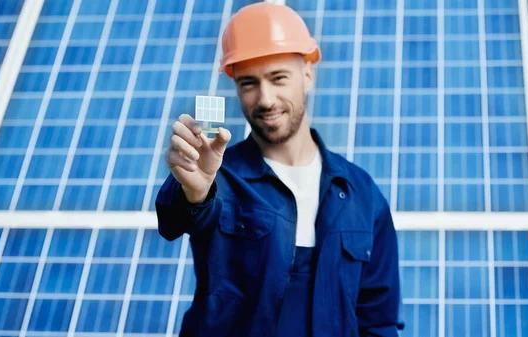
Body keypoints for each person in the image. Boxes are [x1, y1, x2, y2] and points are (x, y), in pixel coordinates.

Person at [156, 2, 404, 336]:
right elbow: (175, 219)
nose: (266, 99)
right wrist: (194, 190)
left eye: (278, 78)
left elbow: (379, 321)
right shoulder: (217, 178)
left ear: (307, 75)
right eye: (248, 83)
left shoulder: (361, 194)